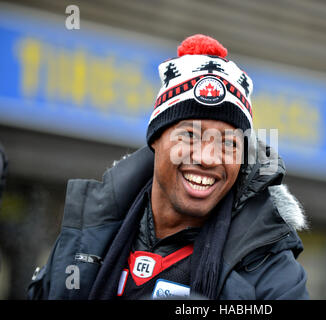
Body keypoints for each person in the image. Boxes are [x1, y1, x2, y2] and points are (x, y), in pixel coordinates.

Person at [27, 34, 309, 300]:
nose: (208, 158)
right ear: (156, 140)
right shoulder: (89, 232)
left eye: (229, 144)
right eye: (190, 136)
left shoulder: (270, 264)